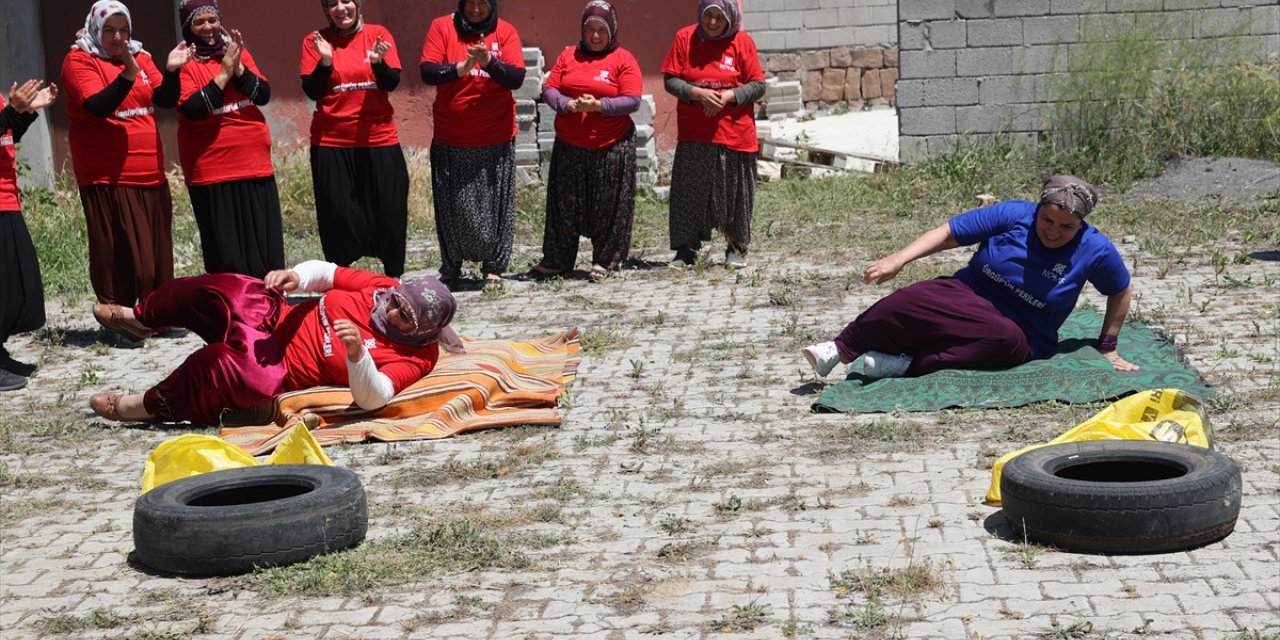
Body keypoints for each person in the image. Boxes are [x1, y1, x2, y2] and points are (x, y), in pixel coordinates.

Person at [802, 176, 1140, 380]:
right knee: (913, 298)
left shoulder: (1095, 249)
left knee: (1001, 338)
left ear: (1080, 224)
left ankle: (905, 366)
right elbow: (949, 233)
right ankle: (841, 348)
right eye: (1047, 221)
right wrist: (898, 259)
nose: (1053, 232)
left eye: (1065, 227)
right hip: (968, 293)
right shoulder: (1014, 214)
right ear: (1038, 210)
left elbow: (1120, 290)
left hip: (1023, 330)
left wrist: (1107, 345)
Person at [88, 260, 464, 424]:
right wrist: (295, 278)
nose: (390, 306)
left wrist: (357, 356)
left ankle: (144, 405)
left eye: (403, 313)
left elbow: (376, 396)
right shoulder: (384, 287)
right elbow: (328, 274)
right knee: (234, 287)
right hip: (274, 317)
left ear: (421, 330)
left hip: (277, 365)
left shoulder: (418, 356)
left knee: (235, 371)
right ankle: (141, 318)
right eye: (395, 298)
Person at [61, 0, 191, 349]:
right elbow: (97, 105)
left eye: (123, 29)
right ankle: (117, 320)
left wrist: (173, 70)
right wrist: (128, 75)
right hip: (106, 174)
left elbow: (164, 98)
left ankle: (155, 315)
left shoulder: (141, 56)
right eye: (109, 30)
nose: (118, 37)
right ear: (95, 29)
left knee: (155, 254)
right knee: (118, 252)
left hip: (149, 169)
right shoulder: (79, 61)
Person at [519, 0, 641, 283]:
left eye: (601, 30)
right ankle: (557, 261)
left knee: (609, 207)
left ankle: (606, 260)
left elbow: (632, 100)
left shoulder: (624, 59)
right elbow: (549, 90)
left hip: (611, 145)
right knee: (564, 206)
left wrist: (599, 106)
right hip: (570, 145)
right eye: (590, 30)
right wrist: (567, 105)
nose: (595, 36)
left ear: (611, 30)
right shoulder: (568, 55)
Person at [420, 0, 526, 290]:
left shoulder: (505, 32)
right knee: (452, 208)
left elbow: (516, 78)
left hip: (496, 135)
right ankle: (451, 265)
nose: (477, 9)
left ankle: (493, 267)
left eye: (483, 3)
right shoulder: (442, 27)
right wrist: (462, 67)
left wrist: (489, 63)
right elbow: (428, 71)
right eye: (471, 3)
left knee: (496, 206)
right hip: (451, 136)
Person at [176, 0, 283, 278]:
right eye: (199, 22)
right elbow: (193, 109)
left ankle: (268, 306)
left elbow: (263, 94)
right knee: (227, 252)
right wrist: (224, 73)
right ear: (188, 26)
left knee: (264, 245)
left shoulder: (237, 53)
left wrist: (238, 68)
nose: (208, 27)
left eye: (213, 19)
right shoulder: (183, 62)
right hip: (213, 169)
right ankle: (232, 310)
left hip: (254, 162)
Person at [302, 0, 409, 278]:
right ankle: (342, 280)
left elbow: (391, 83)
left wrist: (378, 64)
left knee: (389, 211)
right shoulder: (315, 41)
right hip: (332, 141)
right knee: (338, 215)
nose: (341, 8)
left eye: (347, 0)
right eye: (333, 3)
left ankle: (393, 279)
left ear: (357, 4)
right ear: (326, 10)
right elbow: (312, 90)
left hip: (379, 139)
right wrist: (325, 62)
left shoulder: (378, 34)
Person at [660, 0, 764, 270]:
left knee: (735, 195)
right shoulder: (685, 38)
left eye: (720, 17)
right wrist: (698, 94)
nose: (714, 22)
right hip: (696, 134)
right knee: (689, 194)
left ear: (730, 17)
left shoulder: (742, 42)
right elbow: (671, 80)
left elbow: (757, 85)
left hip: (734, 133)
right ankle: (686, 250)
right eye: (709, 16)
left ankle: (736, 248)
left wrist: (729, 96)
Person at [0, 80, 58, 392]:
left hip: (7, 197)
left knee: (15, 288)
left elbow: (6, 138)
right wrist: (12, 112)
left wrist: (22, 113)